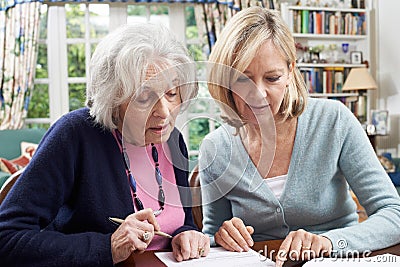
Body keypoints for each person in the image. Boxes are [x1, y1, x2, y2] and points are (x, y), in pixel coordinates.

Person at [199, 6, 400, 267]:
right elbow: (213, 236)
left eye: (272, 78)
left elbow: (393, 214)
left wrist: (329, 242)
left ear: (290, 72)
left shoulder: (333, 121)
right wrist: (223, 235)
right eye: (243, 79)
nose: (258, 93)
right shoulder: (215, 149)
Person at [0, 23, 210, 266]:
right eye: (144, 97)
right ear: (113, 98)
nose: (164, 112)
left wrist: (186, 234)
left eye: (172, 94)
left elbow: (181, 222)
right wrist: (107, 246)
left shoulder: (171, 139)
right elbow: (7, 238)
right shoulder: (74, 135)